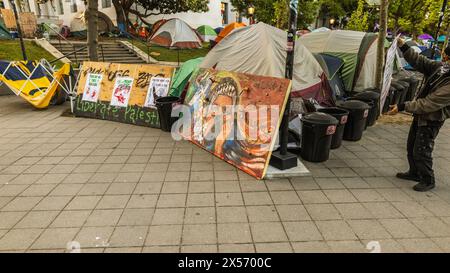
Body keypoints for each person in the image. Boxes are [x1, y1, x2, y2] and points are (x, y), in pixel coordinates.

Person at [387, 39, 450, 192]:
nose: (444, 57)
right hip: (421, 115)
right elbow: (420, 61)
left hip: (432, 118)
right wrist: (404, 46)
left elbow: (429, 103)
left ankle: (428, 179)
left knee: (422, 149)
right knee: (411, 145)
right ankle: (414, 172)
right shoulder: (441, 68)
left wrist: (403, 106)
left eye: (447, 56)